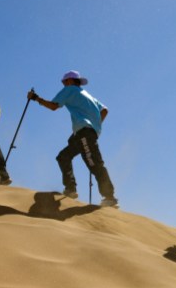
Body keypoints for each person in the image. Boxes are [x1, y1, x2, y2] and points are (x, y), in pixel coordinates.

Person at [28, 70, 118, 208]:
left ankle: (109, 197)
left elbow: (53, 106)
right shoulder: (87, 95)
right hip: (85, 132)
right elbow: (105, 110)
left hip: (85, 132)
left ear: (69, 81)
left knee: (94, 164)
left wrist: (36, 98)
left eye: (64, 82)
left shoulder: (70, 90)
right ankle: (71, 189)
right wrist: (95, 125)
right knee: (63, 156)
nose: (63, 85)